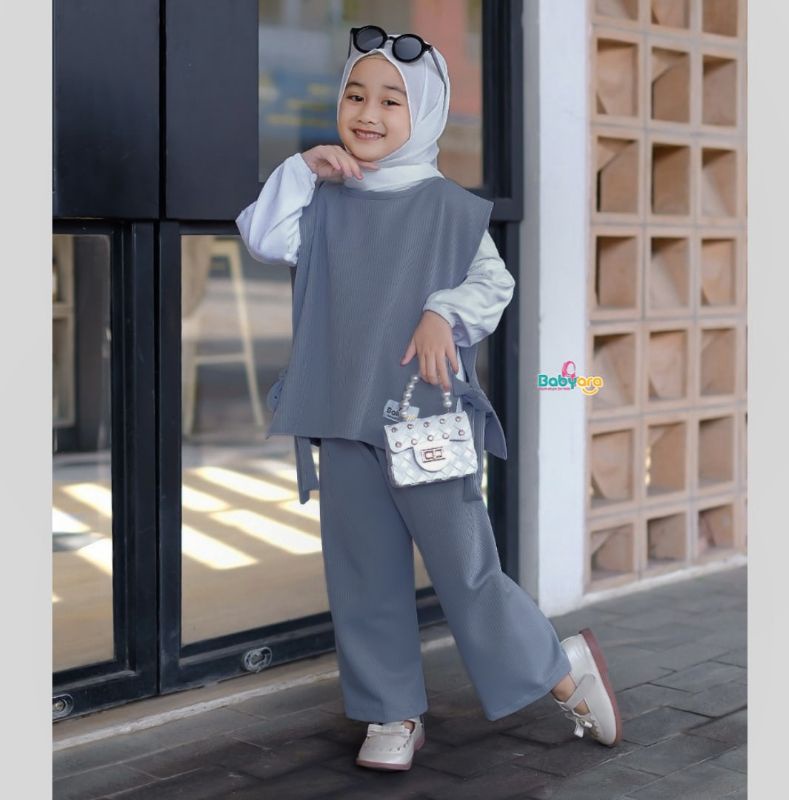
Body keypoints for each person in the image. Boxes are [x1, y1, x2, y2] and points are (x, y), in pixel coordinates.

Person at [236, 24, 622, 773]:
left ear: (427, 113)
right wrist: (302, 166)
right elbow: (262, 236)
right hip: (343, 416)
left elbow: (493, 284)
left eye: (392, 100)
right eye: (356, 95)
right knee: (363, 574)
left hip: (427, 422)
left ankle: (560, 667)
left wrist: (443, 311)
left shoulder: (450, 209)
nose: (368, 112)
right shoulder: (320, 201)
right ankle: (391, 712)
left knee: (465, 569)